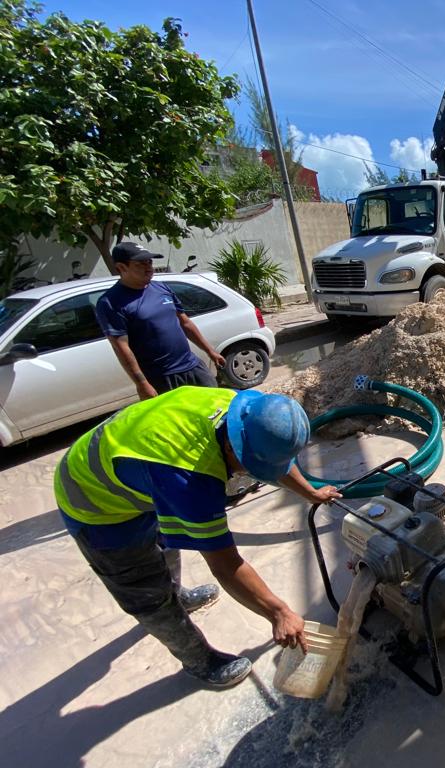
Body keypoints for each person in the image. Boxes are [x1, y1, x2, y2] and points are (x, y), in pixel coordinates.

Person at [54, 386, 341, 688]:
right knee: (145, 589)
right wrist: (278, 612)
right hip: (94, 503)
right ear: (233, 447)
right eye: (252, 467)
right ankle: (198, 660)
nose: (254, 474)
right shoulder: (190, 481)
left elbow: (274, 458)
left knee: (166, 544)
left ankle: (176, 593)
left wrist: (309, 493)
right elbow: (225, 564)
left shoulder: (246, 410)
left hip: (136, 462)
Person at [96, 241, 226, 400]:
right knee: (181, 422)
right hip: (162, 378)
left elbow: (184, 322)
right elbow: (121, 348)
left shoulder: (161, 288)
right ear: (121, 267)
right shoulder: (110, 302)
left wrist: (210, 351)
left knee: (218, 408)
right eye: (140, 264)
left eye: (149, 262)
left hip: (192, 366)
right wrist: (142, 384)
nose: (148, 267)